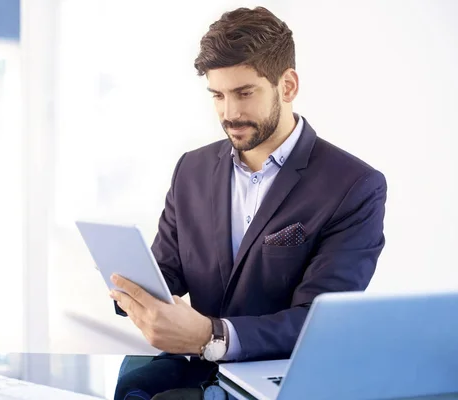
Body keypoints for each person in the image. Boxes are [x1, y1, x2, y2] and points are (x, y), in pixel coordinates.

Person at [111, 6, 387, 399]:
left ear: (287, 85)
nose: (229, 113)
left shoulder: (354, 186)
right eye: (218, 95)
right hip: (190, 370)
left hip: (274, 380)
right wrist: (133, 289)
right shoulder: (192, 168)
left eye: (244, 93)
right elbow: (168, 272)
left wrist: (213, 335)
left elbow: (317, 323)